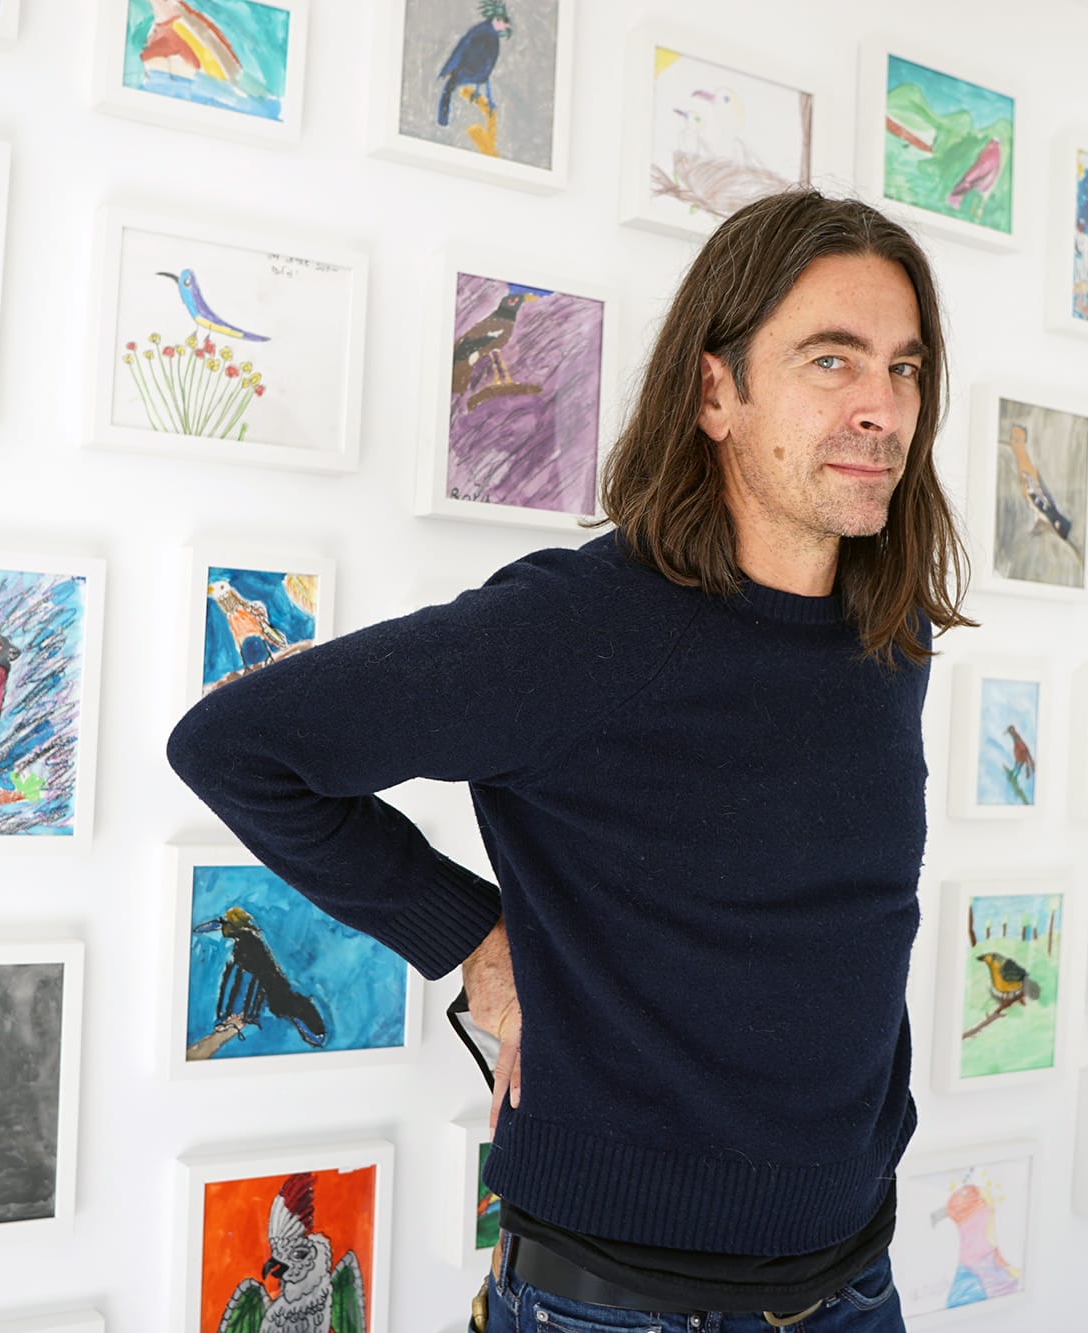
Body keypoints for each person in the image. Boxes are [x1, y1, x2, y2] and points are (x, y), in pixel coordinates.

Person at [166, 188, 972, 1330]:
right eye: (830, 361)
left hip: (852, 1282)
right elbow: (235, 747)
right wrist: (473, 941)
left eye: (903, 367)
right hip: (616, 1306)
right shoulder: (583, 630)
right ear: (714, 391)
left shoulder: (887, 633)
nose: (880, 407)